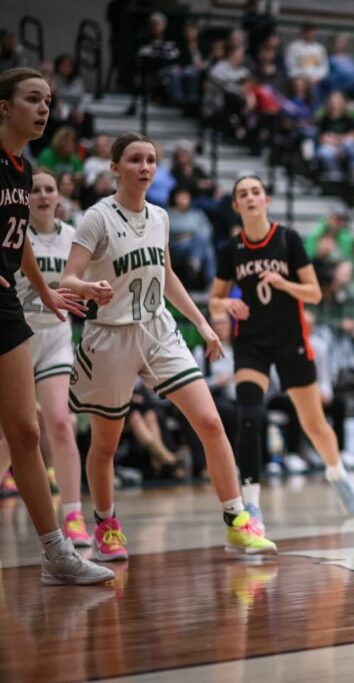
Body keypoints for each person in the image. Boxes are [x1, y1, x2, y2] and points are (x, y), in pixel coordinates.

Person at [61, 132, 277, 560]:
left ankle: (236, 519)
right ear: (115, 167)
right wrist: (87, 287)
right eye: (136, 160)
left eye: (151, 161)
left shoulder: (160, 216)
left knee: (211, 423)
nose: (144, 167)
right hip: (111, 334)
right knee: (106, 443)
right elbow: (67, 279)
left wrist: (201, 323)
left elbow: (167, 275)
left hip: (158, 329)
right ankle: (106, 523)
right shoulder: (96, 218)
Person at [0, 67, 113, 585]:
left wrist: (46, 292)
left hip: (12, 311)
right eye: (32, 99)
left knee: (29, 430)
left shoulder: (21, 169)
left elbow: (16, 235)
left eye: (48, 100)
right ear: (4, 107)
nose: (44, 109)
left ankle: (56, 554)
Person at [209, 175, 354, 524]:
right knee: (250, 416)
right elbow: (215, 302)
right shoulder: (230, 250)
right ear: (235, 206)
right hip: (251, 344)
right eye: (242, 194)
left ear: (266, 200)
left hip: (291, 340)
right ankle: (252, 504)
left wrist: (283, 283)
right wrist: (227, 306)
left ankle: (336, 473)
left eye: (256, 192)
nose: (250, 198)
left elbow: (315, 294)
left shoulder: (287, 239)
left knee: (315, 424)